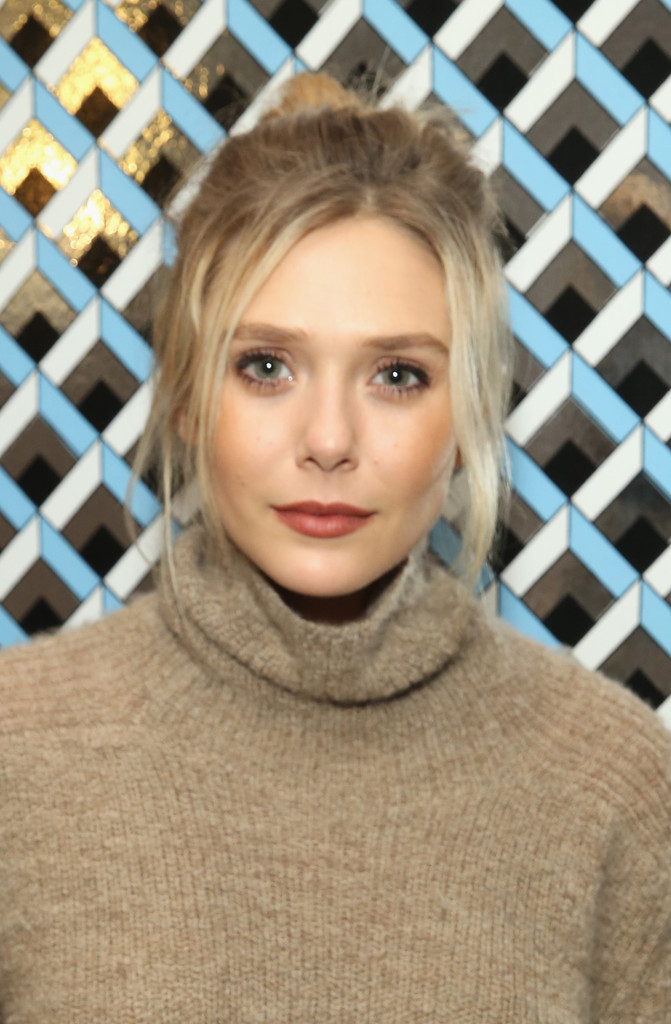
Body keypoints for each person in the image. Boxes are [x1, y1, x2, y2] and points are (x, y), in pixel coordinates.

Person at [0, 71, 668, 1022]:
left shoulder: (610, 785)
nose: (327, 439)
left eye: (396, 375)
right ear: (185, 396)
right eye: (265, 366)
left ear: (468, 415)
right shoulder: (19, 751)